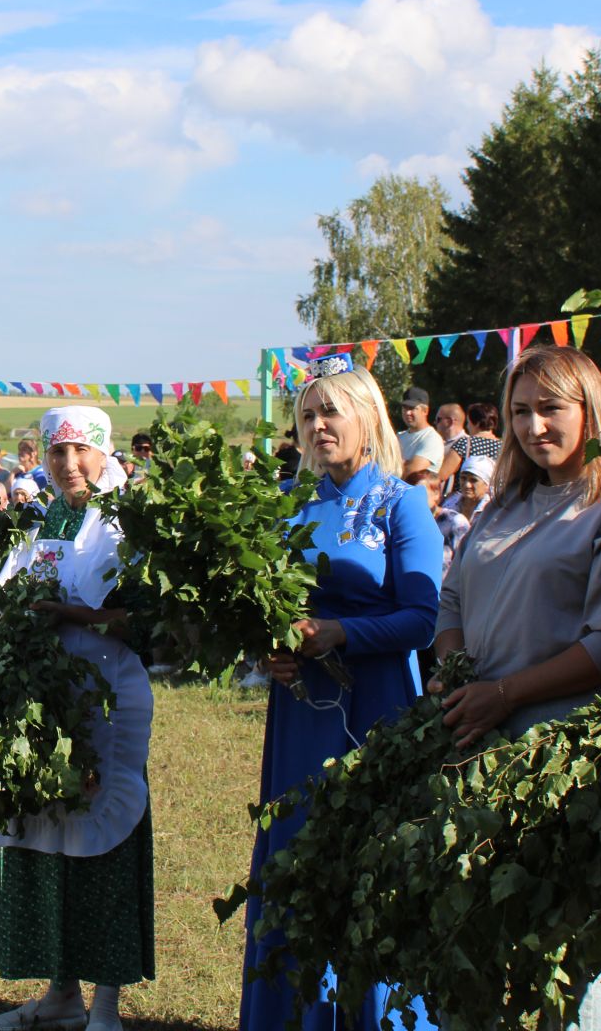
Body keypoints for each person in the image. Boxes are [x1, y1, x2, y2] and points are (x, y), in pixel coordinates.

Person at [432, 345, 601, 1031]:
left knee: (565, 966)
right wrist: (459, 681)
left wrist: (504, 695)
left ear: (591, 411)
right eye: (520, 412)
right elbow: (452, 604)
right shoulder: (505, 504)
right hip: (477, 743)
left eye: (551, 409)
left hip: (565, 760)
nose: (535, 427)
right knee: (473, 949)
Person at [239, 357, 442, 1031]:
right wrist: (268, 647)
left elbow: (422, 619)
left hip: (377, 707)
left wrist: (339, 634)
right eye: (306, 415)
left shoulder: (402, 501)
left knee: (371, 871)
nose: (318, 426)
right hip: (302, 714)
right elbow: (264, 606)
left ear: (367, 417)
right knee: (299, 861)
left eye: (331, 412)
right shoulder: (291, 505)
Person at [0, 406, 152, 1031]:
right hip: (45, 701)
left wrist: (71, 616)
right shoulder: (43, 517)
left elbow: (147, 620)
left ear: (104, 454)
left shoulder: (125, 521)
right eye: (58, 453)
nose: (69, 464)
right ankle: (60, 991)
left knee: (103, 832)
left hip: (107, 696)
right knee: (50, 835)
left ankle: (106, 1000)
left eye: (81, 451)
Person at [437, 402, 503, 491]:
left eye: (468, 422)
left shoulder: (465, 443)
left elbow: (442, 475)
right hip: (494, 500)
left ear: (477, 423)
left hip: (466, 497)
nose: (467, 426)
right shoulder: (504, 447)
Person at [395, 387, 441, 469]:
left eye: (412, 408)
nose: (407, 413)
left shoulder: (432, 438)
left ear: (425, 411)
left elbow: (412, 473)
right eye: (405, 408)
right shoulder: (399, 437)